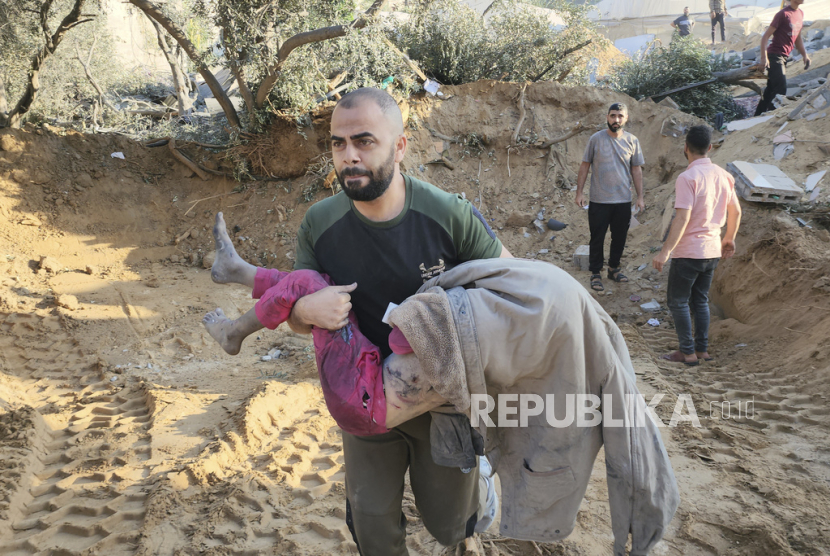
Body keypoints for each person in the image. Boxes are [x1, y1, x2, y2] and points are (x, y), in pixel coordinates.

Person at [208, 87, 511, 555]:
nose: (349, 156)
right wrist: (306, 313)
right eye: (338, 143)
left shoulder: (448, 214)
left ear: (400, 146)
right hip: (367, 399)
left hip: (442, 402)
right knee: (372, 526)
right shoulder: (321, 223)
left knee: (451, 525)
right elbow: (300, 316)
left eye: (365, 142)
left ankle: (480, 486)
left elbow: (512, 284)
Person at [652, 125, 741, 366]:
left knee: (678, 301)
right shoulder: (725, 176)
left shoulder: (687, 178)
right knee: (700, 300)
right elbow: (736, 210)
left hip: (689, 252)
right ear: (710, 148)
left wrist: (665, 251)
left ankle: (687, 352)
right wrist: (729, 238)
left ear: (685, 148)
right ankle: (702, 350)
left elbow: (682, 218)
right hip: (712, 250)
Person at [575, 102, 645, 293]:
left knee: (620, 237)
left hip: (623, 200)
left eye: (620, 116)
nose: (616, 120)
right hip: (599, 200)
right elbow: (584, 166)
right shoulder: (596, 139)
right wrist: (579, 192)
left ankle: (614, 269)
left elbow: (636, 169)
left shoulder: (632, 141)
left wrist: (640, 197)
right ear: (607, 117)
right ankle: (595, 273)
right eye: (613, 116)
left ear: (626, 118)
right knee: (597, 238)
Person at [754, 0, 812, 116]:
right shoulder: (783, 14)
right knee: (781, 89)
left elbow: (798, 38)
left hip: (784, 56)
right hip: (775, 55)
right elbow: (765, 37)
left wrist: (805, 55)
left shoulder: (800, 13)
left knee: (771, 89)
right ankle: (772, 116)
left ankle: (757, 116)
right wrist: (763, 58)